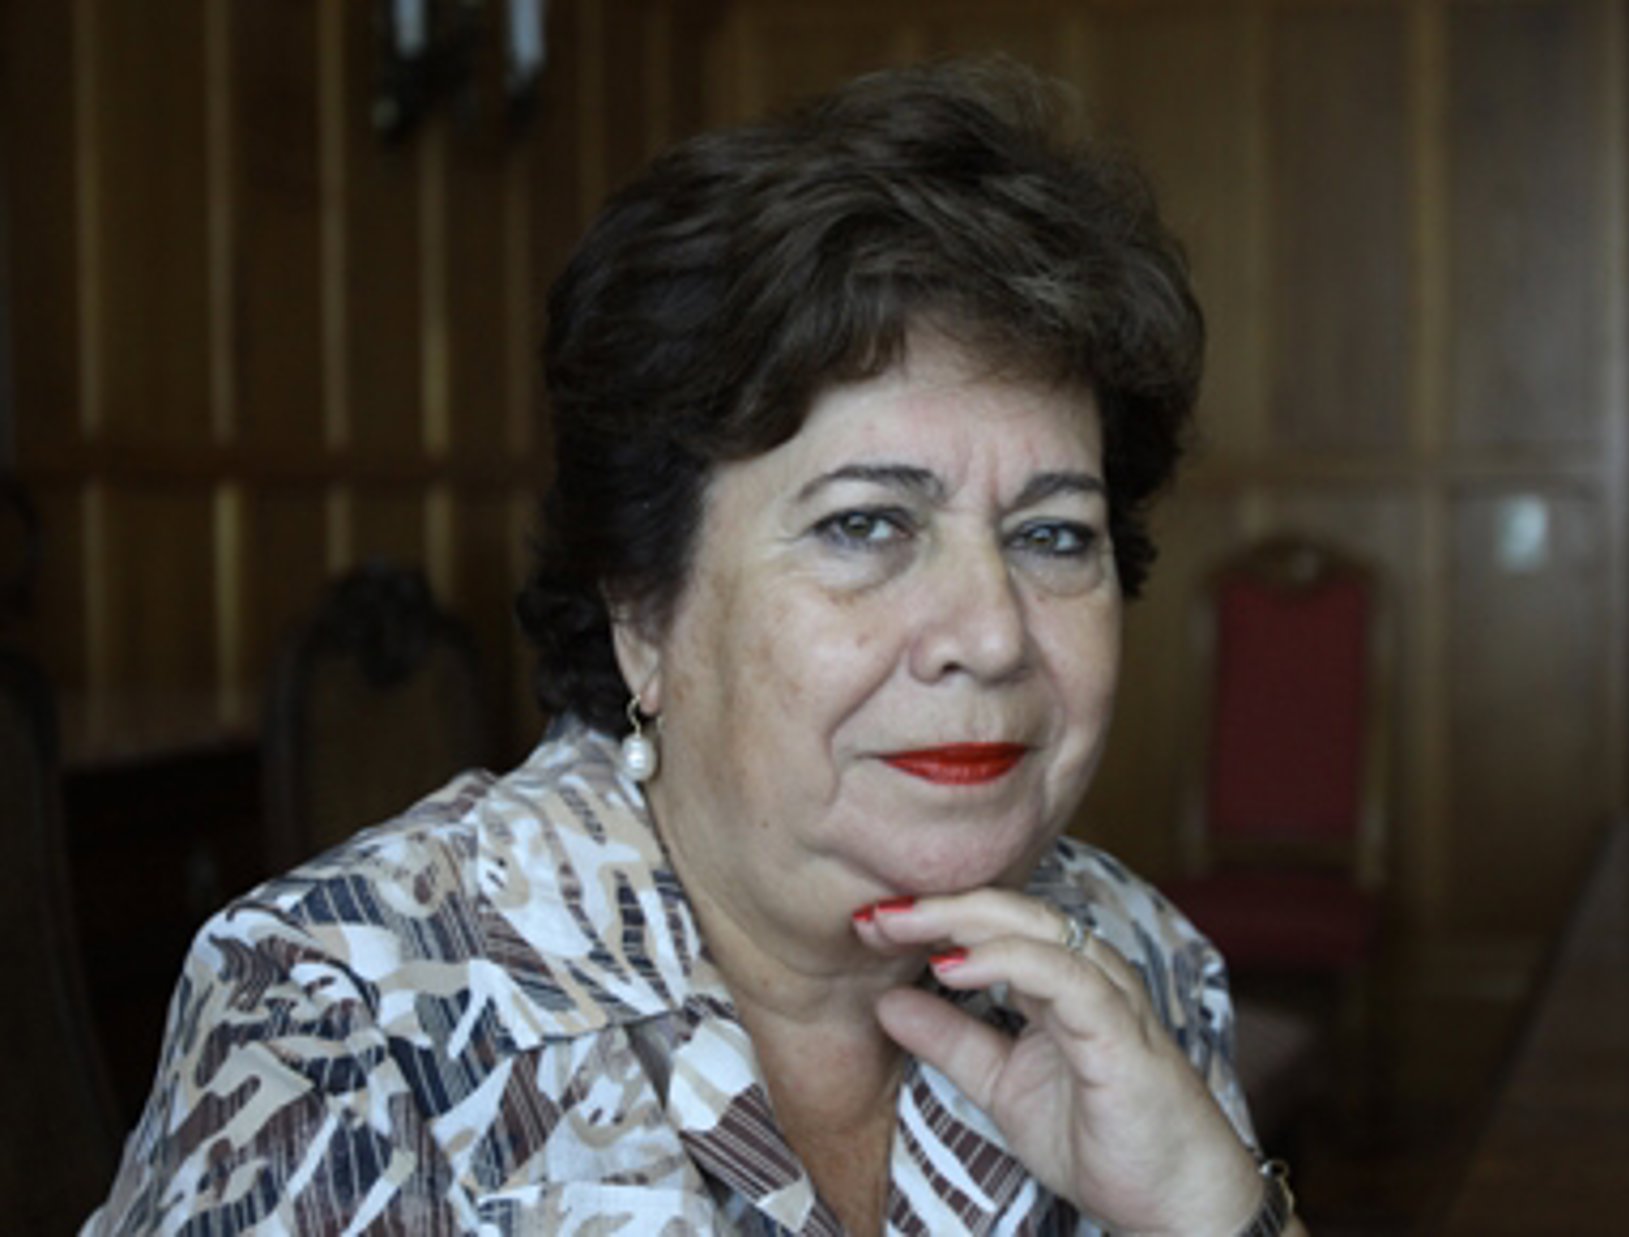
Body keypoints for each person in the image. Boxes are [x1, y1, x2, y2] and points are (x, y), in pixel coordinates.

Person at [86, 60, 1304, 1236]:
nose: (991, 635)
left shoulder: (1128, 961)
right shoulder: (348, 1015)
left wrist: (1215, 1215)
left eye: (1051, 535)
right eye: (866, 524)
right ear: (642, 607)